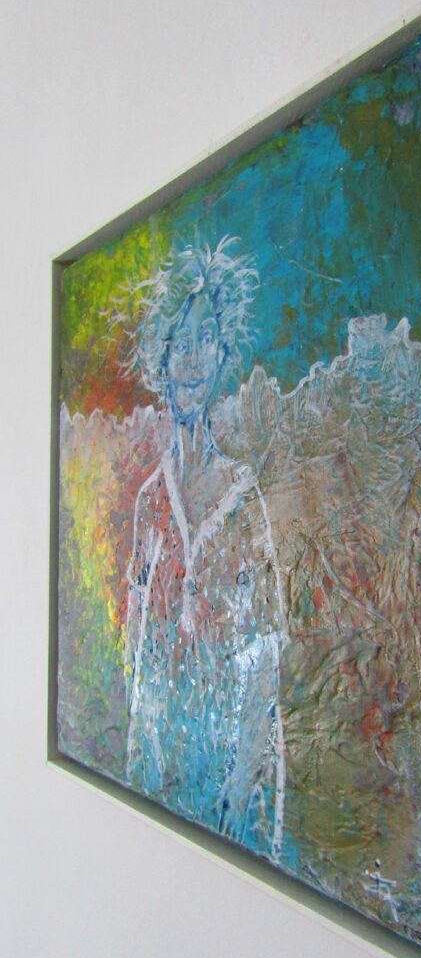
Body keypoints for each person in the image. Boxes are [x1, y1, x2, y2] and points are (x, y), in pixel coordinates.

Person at [123, 237, 287, 861]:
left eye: (206, 339)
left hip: (228, 784)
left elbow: (265, 655)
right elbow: (137, 649)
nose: (192, 358)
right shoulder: (150, 503)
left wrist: (240, 787)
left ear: (223, 353)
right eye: (180, 342)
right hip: (160, 774)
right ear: (161, 358)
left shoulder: (245, 500)